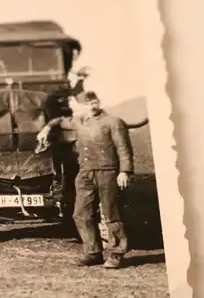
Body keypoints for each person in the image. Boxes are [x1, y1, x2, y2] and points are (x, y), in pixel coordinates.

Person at [36, 91, 134, 269]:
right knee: (80, 213)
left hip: (108, 172)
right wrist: (46, 128)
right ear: (82, 105)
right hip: (85, 173)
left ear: (99, 102)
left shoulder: (113, 122)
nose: (92, 106)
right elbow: (59, 120)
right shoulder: (79, 121)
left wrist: (125, 172)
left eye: (94, 102)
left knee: (110, 213)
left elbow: (123, 148)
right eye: (88, 103)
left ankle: (116, 254)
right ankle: (92, 252)